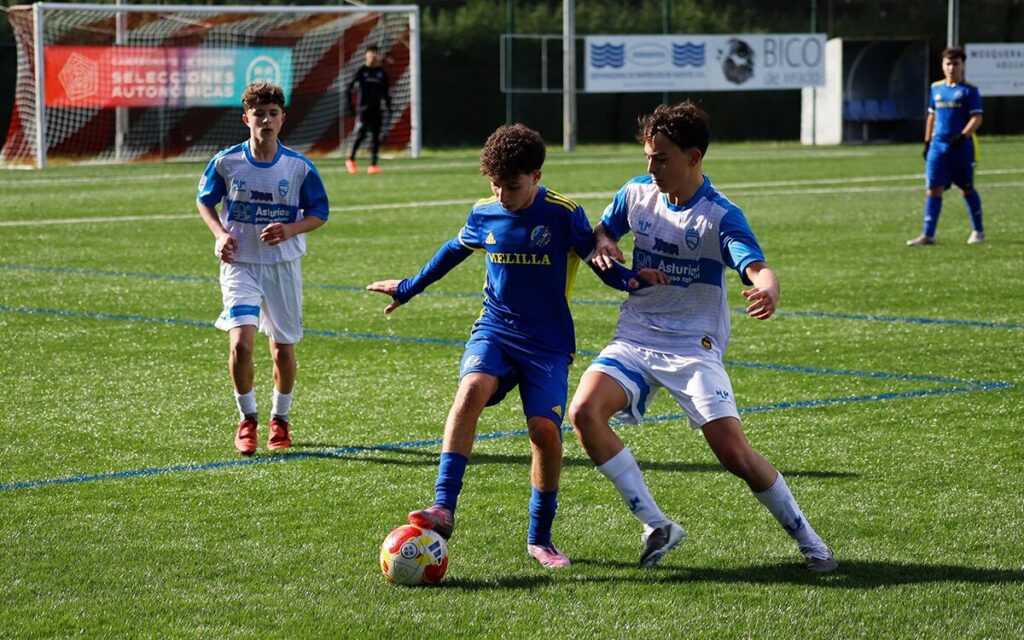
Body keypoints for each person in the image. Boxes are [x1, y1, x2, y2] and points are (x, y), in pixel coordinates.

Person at [367, 124, 660, 569]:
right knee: (470, 391)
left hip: (547, 344)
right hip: (495, 331)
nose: (503, 194)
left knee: (544, 431)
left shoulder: (564, 214)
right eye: (496, 184)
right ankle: (443, 506)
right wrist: (408, 288)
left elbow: (600, 265)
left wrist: (633, 279)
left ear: (537, 175)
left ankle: (540, 538)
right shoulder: (485, 212)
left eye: (513, 185)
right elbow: (452, 250)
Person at [568, 101, 838, 573]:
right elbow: (601, 235)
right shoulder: (636, 194)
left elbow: (756, 267)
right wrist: (603, 241)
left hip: (694, 347)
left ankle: (810, 540)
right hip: (636, 335)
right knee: (585, 413)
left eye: (662, 158)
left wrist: (768, 290)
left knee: (733, 452)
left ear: (694, 157)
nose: (651, 167)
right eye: (648, 156)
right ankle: (656, 525)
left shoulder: (719, 216)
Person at [196, 81, 330, 456]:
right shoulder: (227, 162)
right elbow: (204, 201)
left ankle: (280, 419)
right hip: (240, 265)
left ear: (282, 119)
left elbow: (320, 212)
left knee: (282, 352)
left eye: (273, 114)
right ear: (246, 119)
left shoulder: (299, 167)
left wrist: (290, 228)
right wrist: (220, 234)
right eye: (259, 114)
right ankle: (247, 419)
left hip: (281, 266)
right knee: (240, 345)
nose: (266, 120)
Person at [907, 46, 985, 246]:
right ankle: (928, 235)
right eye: (948, 63)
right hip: (937, 147)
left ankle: (978, 230)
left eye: (956, 64)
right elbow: (931, 115)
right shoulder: (936, 88)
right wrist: (926, 141)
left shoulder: (969, 90)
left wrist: (963, 135)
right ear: (942, 65)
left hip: (961, 148)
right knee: (933, 188)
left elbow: (977, 117)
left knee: (966, 188)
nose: (951, 68)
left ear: (963, 65)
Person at [345, 44, 392, 175]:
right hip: (363, 109)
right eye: (370, 52)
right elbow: (349, 89)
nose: (373, 55)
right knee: (362, 133)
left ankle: (373, 165)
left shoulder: (381, 73)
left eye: (375, 52)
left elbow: (386, 93)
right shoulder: (361, 71)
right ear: (366, 54)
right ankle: (351, 159)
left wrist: (389, 107)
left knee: (376, 136)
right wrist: (350, 107)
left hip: (376, 109)